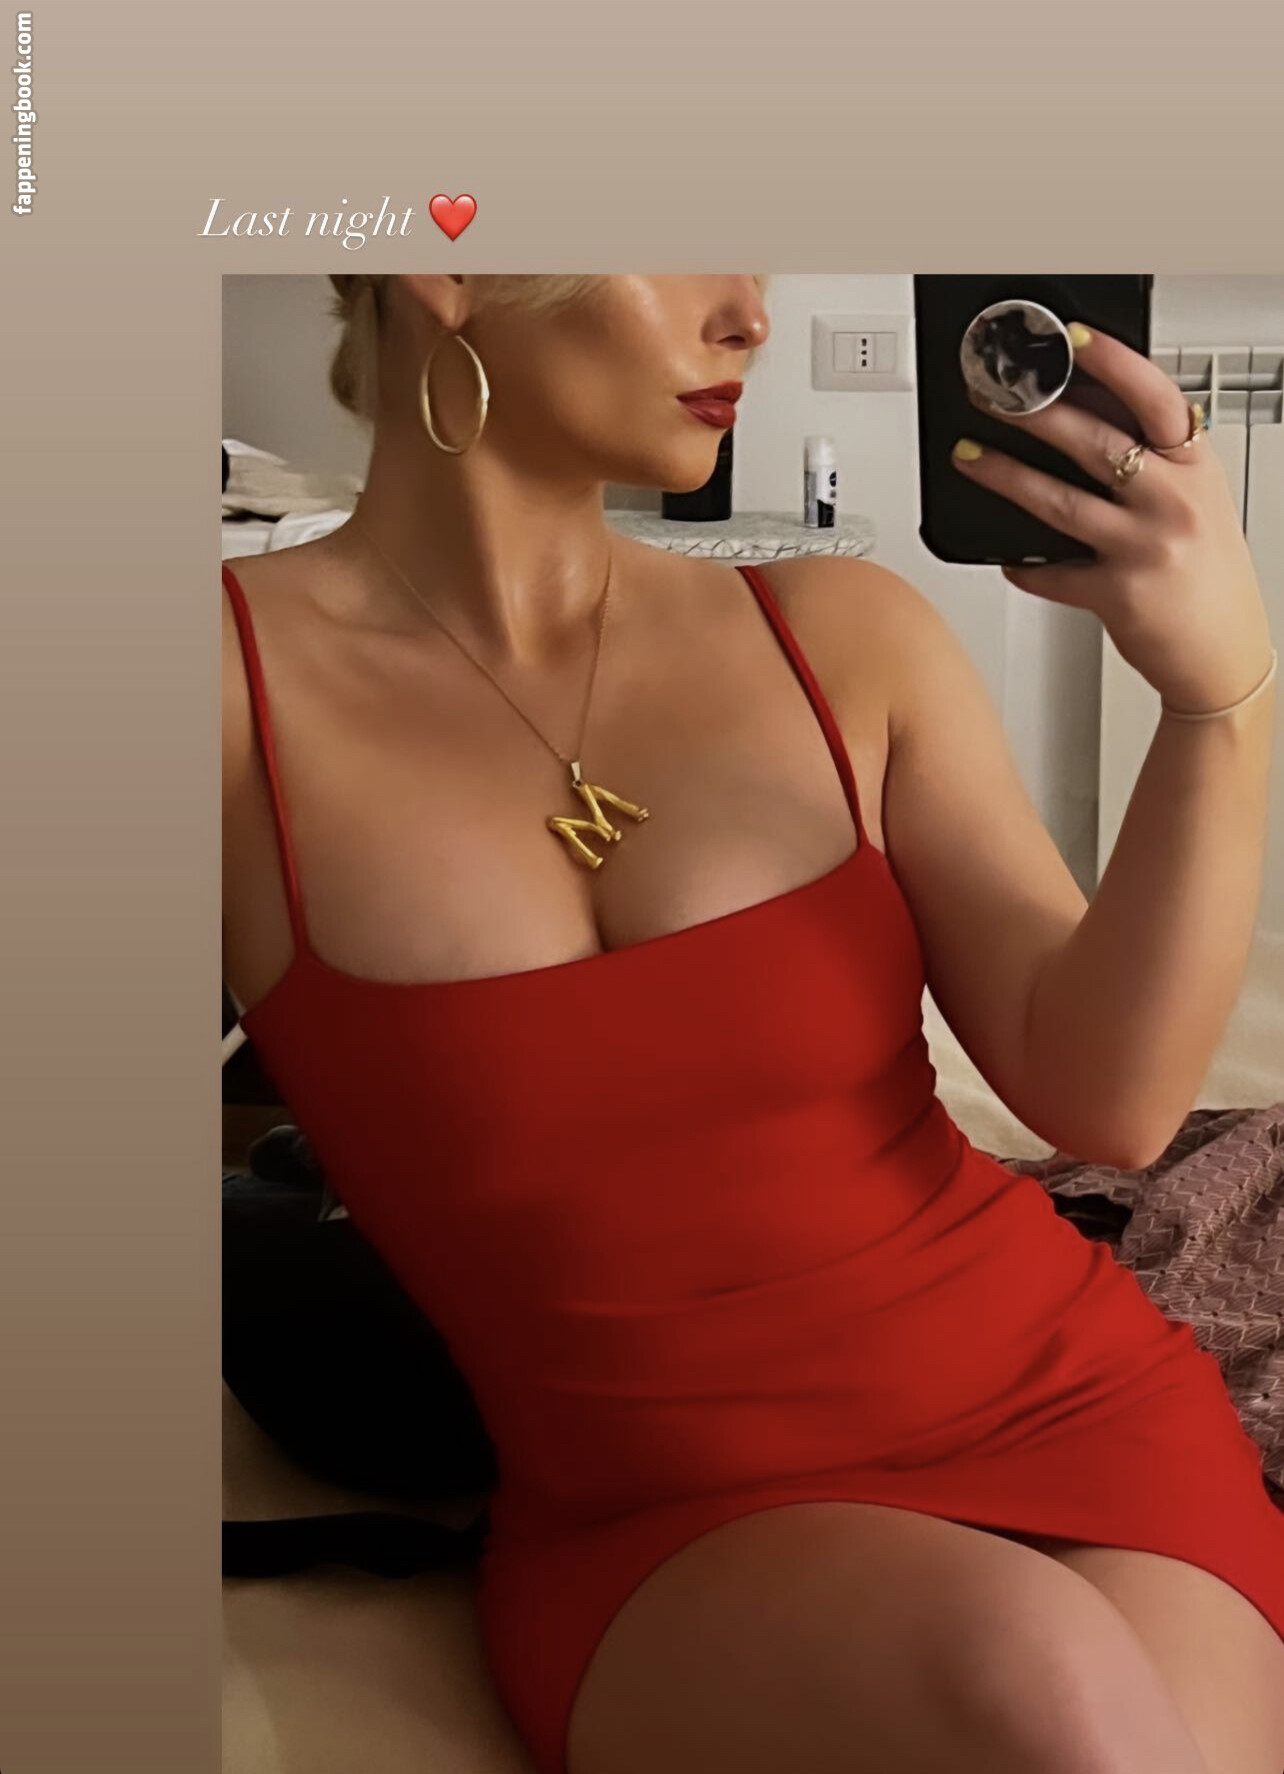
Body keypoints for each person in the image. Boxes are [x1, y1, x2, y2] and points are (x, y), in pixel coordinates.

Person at [222, 273, 1284, 1774]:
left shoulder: (842, 631)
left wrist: (1218, 699)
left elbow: (1106, 1098)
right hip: (671, 1520)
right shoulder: (214, 694)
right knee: (1042, 1681)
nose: (750, 315)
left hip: (1072, 1403)